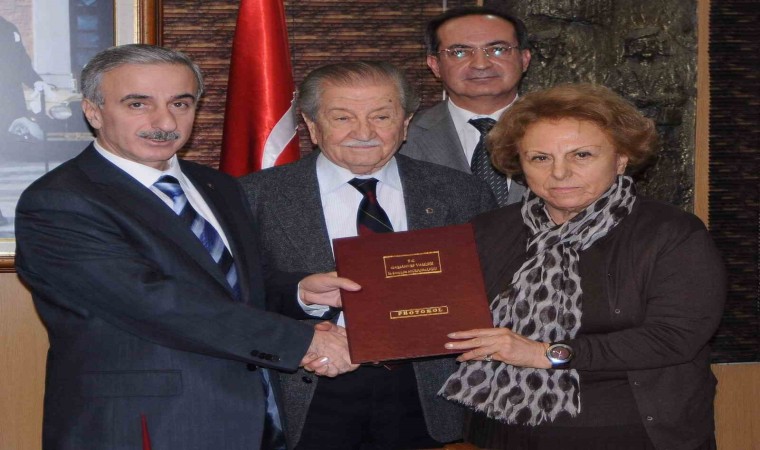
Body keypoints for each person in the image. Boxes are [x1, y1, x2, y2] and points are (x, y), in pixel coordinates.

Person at [14, 44, 359, 450]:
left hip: (256, 417)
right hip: (146, 427)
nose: (164, 121)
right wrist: (302, 341)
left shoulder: (218, 186)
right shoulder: (60, 201)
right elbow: (154, 304)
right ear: (93, 111)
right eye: (138, 104)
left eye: (180, 103)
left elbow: (228, 285)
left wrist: (298, 292)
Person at [439, 83, 726, 449]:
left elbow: (674, 338)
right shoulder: (487, 230)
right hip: (504, 430)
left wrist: (544, 353)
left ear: (621, 159)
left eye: (582, 155)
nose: (560, 173)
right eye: (540, 158)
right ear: (519, 164)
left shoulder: (671, 233)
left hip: (632, 433)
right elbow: (446, 316)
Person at [240, 61, 496, 450]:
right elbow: (234, 294)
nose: (364, 132)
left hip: (427, 391)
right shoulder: (254, 196)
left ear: (405, 123)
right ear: (312, 125)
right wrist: (300, 302)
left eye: (381, 116)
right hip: (308, 387)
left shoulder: (461, 192)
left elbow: (490, 288)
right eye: (343, 117)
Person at [400, 6, 531, 206]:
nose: (481, 64)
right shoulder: (402, 137)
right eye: (459, 52)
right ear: (435, 65)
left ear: (524, 59)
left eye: (498, 49)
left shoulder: (565, 130)